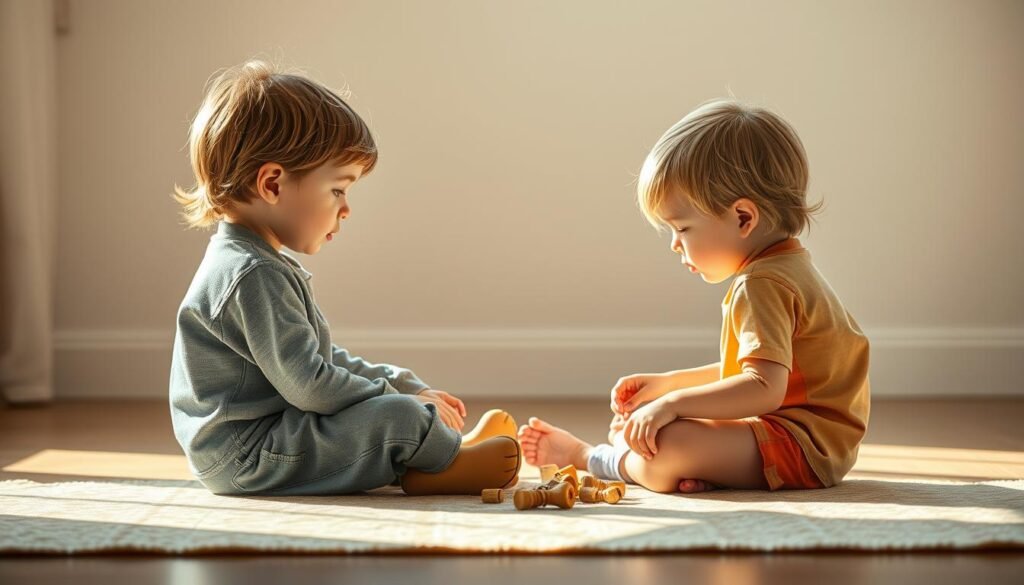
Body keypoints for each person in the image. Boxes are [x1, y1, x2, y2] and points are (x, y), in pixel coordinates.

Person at [169, 61, 520, 497]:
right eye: (339, 189)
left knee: (393, 407)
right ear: (273, 184)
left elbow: (322, 359)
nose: (346, 208)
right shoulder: (251, 274)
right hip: (248, 456)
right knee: (396, 416)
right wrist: (403, 401)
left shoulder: (253, 262)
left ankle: (437, 451)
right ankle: (446, 461)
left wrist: (405, 382)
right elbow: (311, 385)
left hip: (266, 439)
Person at [519, 99, 869, 493]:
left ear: (743, 218)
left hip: (802, 448)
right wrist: (668, 384)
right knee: (665, 429)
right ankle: (693, 464)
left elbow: (763, 388)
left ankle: (594, 458)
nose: (674, 245)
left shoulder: (761, 284)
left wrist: (673, 404)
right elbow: (761, 370)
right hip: (812, 439)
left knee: (669, 442)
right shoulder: (789, 267)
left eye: (682, 229)